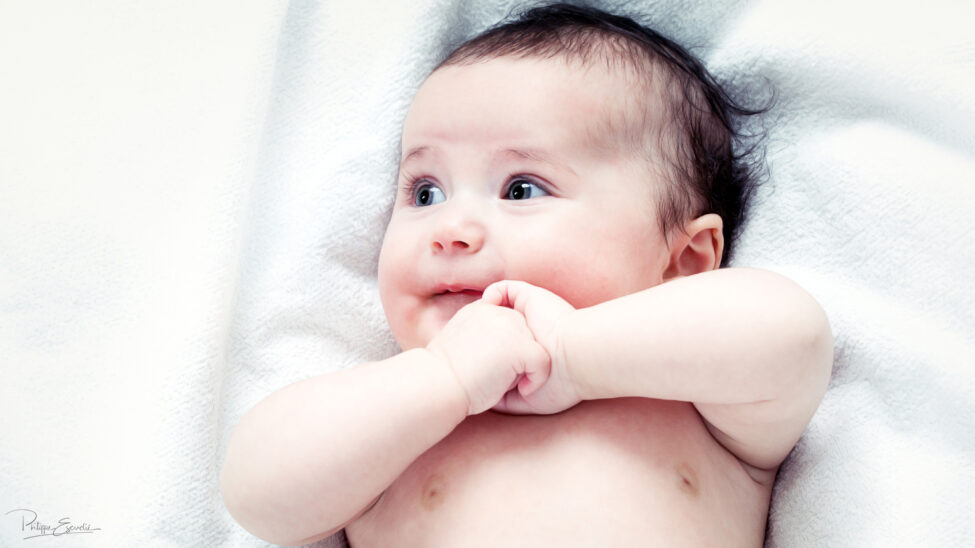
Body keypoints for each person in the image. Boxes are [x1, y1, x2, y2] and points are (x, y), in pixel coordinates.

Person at [221, 4, 832, 546]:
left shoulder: (698, 402)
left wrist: (571, 355)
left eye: (520, 188)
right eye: (425, 191)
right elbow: (258, 493)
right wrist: (445, 377)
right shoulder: (392, 418)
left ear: (687, 261)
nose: (450, 226)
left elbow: (792, 335)